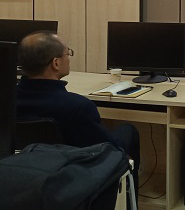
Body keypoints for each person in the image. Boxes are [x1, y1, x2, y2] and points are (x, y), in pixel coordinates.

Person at [16, 31, 141, 198]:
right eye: (67, 54)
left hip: (23, 169)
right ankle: (129, 200)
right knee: (128, 130)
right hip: (73, 173)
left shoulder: (6, 101)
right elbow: (109, 149)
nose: (69, 58)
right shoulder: (77, 106)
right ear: (56, 63)